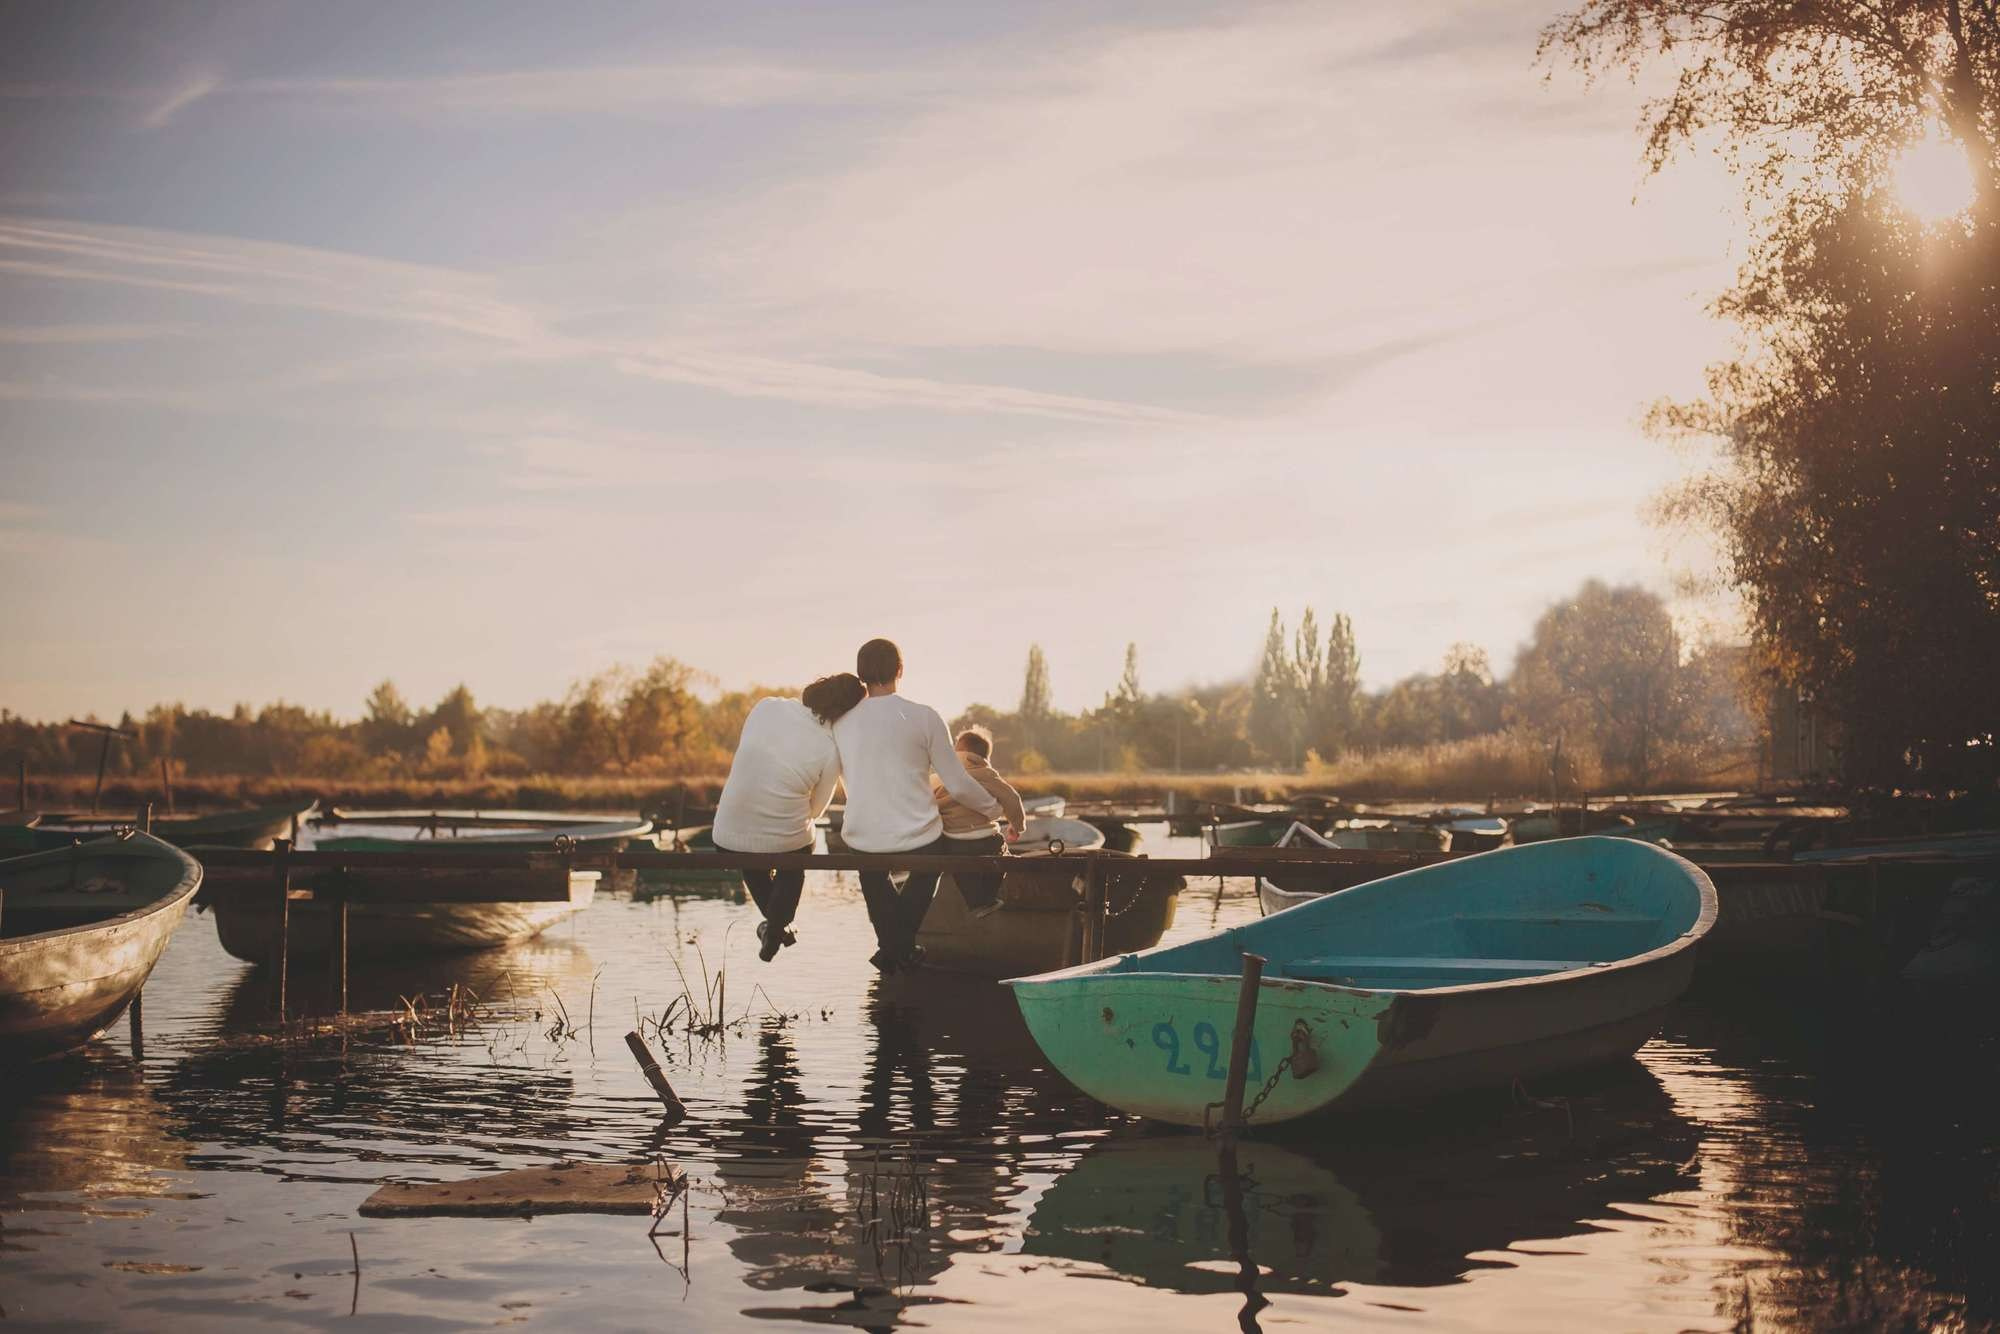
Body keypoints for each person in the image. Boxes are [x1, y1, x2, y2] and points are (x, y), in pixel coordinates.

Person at [832, 637, 1021, 972]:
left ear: (861, 674)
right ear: (900, 670)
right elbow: (958, 783)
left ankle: (894, 949)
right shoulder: (924, 716)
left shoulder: (840, 723)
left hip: (861, 836)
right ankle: (898, 949)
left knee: (873, 876)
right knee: (930, 861)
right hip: (921, 836)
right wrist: (994, 809)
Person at [712, 673, 866, 962]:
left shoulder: (765, 706)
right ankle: (775, 928)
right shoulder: (829, 748)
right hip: (783, 845)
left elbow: (751, 764)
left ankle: (774, 928)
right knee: (796, 853)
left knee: (752, 849)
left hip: (726, 837)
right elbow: (816, 811)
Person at [932, 725, 1026, 917]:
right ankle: (987, 897)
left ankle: (976, 902)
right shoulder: (988, 775)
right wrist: (1017, 826)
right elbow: (1012, 799)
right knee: (1002, 856)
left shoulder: (940, 777)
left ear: (956, 752)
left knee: (961, 869)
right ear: (985, 758)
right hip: (986, 837)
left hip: (954, 840)